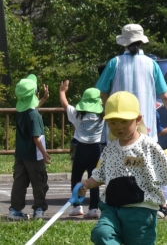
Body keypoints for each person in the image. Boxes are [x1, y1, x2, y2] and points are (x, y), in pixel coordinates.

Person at [76, 92, 167, 245]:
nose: (118, 126)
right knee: (101, 233)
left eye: (124, 121)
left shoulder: (148, 146)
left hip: (141, 211)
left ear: (138, 119)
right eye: (113, 122)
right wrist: (86, 184)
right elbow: (100, 175)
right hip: (112, 207)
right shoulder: (110, 148)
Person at [95, 24, 167, 141]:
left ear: (124, 43)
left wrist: (108, 111)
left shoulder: (115, 63)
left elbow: (102, 93)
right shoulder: (152, 64)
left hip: (118, 126)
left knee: (118, 151)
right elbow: (165, 96)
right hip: (146, 124)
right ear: (141, 42)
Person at [59, 80, 104, 218]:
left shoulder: (77, 114)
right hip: (97, 148)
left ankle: (77, 206)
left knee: (76, 177)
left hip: (80, 148)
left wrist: (62, 91)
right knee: (94, 178)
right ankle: (94, 208)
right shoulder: (102, 115)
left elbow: (65, 104)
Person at [8, 75, 51, 220]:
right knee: (39, 182)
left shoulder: (22, 112)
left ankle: (15, 210)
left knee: (19, 182)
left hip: (21, 154)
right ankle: (39, 209)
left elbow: (32, 107)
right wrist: (44, 154)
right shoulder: (34, 115)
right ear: (35, 94)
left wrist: (43, 99)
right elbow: (36, 137)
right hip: (34, 155)